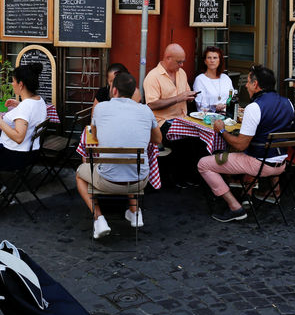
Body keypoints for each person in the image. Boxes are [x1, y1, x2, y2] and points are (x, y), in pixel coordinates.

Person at [197, 65, 295, 223]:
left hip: (259, 164)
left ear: (256, 84)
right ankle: (244, 192)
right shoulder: (288, 103)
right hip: (281, 162)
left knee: (203, 164)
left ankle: (235, 207)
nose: (246, 85)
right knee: (248, 152)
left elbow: (240, 145)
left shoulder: (254, 107)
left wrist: (222, 131)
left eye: (248, 82)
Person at [76, 72, 161, 239]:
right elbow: (158, 139)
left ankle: (99, 218)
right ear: (134, 92)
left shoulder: (100, 108)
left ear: (114, 90)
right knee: (131, 162)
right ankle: (134, 212)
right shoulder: (145, 110)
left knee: (80, 173)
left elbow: (95, 135)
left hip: (107, 180)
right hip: (140, 181)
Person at [0, 62, 48, 218]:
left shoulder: (26, 107)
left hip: (15, 156)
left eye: (13, 81)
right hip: (31, 152)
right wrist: (19, 105)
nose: (11, 84)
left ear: (21, 84)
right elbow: (30, 115)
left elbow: (19, 137)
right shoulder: (39, 101)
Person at [143, 43, 201, 187]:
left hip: (182, 118)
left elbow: (185, 93)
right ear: (167, 58)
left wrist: (190, 96)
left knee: (200, 136)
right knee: (184, 139)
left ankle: (193, 176)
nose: (181, 65)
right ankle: (179, 179)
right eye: (179, 62)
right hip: (162, 122)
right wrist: (179, 98)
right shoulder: (153, 76)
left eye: (183, 61)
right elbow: (152, 104)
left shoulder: (181, 73)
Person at [192, 46, 234, 113]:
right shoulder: (200, 79)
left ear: (219, 60)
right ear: (205, 61)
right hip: (207, 117)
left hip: (227, 115)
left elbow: (232, 97)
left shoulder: (226, 78)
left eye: (215, 58)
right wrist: (215, 106)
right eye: (209, 58)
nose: (212, 60)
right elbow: (201, 104)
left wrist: (225, 106)